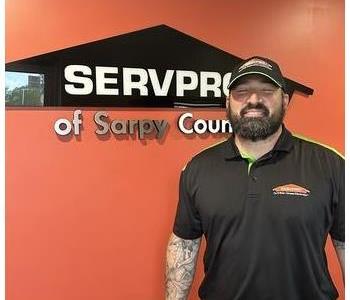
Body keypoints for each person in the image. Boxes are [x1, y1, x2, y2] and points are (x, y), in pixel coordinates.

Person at [165, 56, 344, 300]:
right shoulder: (198, 168)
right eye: (242, 91)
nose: (253, 100)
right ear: (228, 102)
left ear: (285, 100)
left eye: (266, 91)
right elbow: (184, 246)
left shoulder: (331, 164)